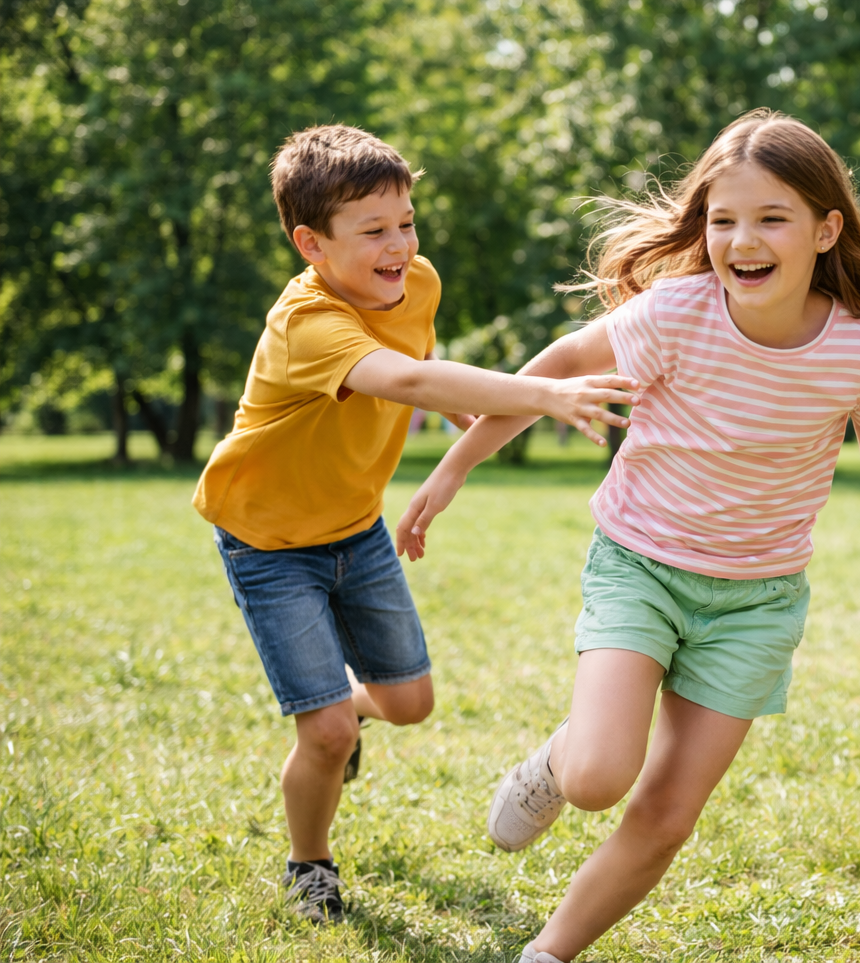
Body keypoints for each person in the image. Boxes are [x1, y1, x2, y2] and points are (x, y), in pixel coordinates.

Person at [394, 110, 860, 963]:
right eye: (723, 220)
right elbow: (554, 368)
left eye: (771, 218)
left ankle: (547, 954)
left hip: (756, 604)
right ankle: (557, 759)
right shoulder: (677, 312)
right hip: (641, 568)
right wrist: (458, 465)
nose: (742, 240)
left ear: (825, 228)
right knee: (596, 779)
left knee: (664, 817)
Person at [192, 124, 636, 923]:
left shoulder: (415, 282)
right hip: (268, 545)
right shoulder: (308, 324)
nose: (399, 244)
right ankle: (309, 864)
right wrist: (539, 394)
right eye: (374, 232)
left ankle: (348, 712)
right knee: (323, 732)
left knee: (409, 703)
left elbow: (420, 370)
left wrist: (464, 406)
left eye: (406, 222)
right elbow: (399, 374)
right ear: (311, 244)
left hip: (355, 529)